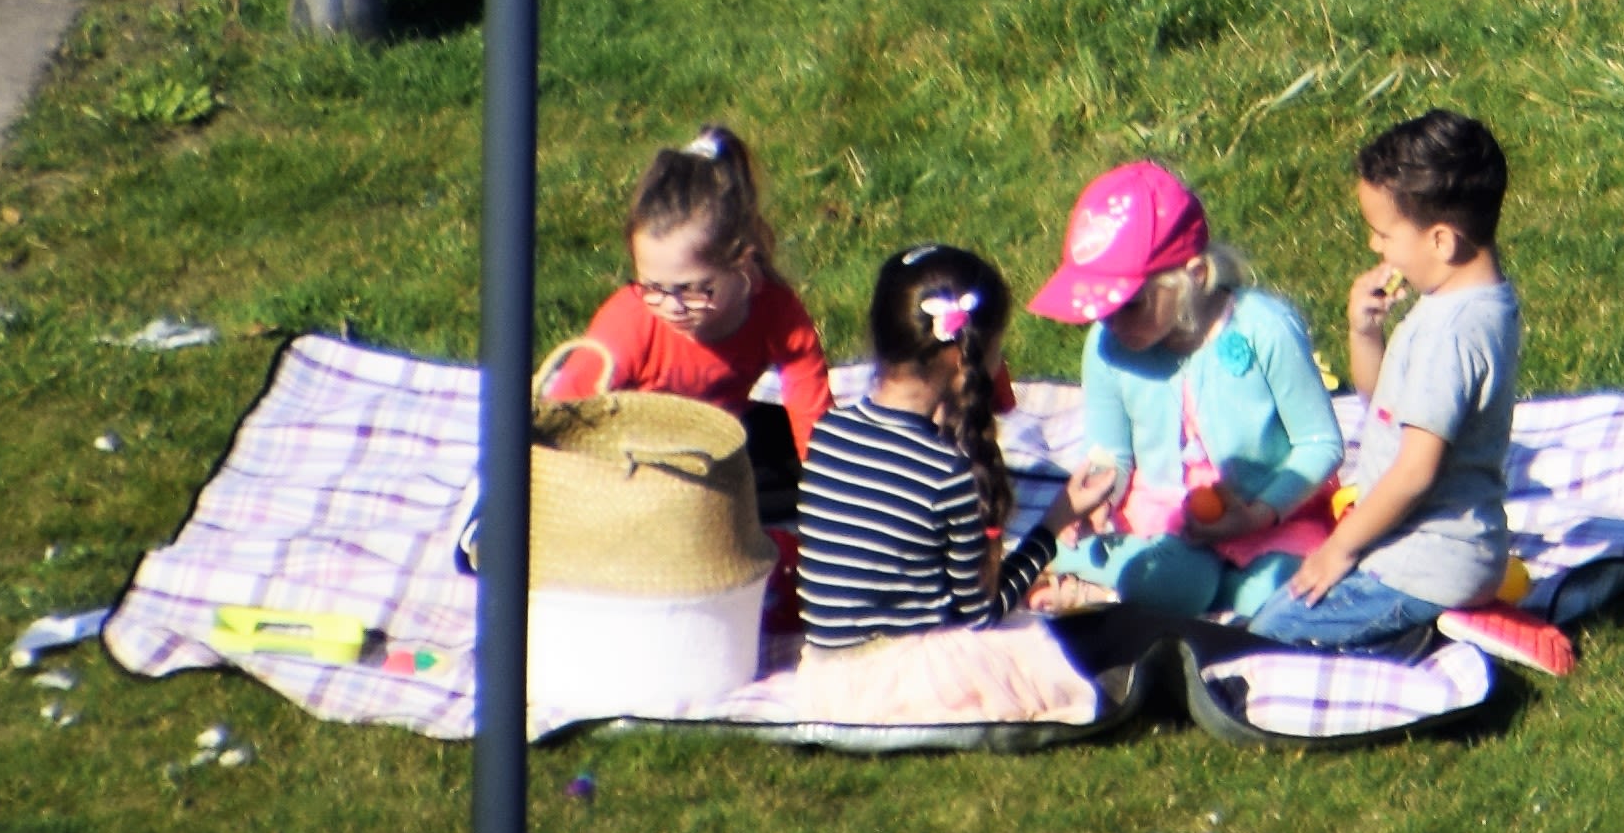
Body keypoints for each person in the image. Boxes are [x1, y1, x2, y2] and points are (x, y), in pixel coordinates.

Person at [1028, 159, 1344, 629]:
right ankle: (1100, 573)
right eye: (1103, 309)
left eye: (1129, 305)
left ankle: (1130, 588)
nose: (1111, 321)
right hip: (1166, 520)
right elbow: (1110, 452)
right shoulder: (1108, 344)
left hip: (1270, 515)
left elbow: (1321, 444)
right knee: (1177, 582)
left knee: (1279, 593)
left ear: (1194, 276)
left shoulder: (1264, 330)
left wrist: (1256, 516)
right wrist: (1100, 497)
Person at [1255, 110, 1525, 657]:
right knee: (1278, 596)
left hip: (1424, 565)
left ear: (1442, 241)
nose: (1377, 248)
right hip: (1422, 553)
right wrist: (1365, 332)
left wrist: (1340, 549)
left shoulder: (1450, 333)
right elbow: (1384, 404)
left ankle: (1421, 641)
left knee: (1270, 631)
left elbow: (1414, 473)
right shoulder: (1464, 304)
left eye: (1384, 234)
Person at [794, 244, 1109, 644]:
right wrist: (1054, 522)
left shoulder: (827, 435)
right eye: (997, 351)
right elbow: (980, 615)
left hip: (829, 675)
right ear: (966, 358)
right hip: (914, 683)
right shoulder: (948, 474)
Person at [531, 123, 826, 521]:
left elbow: (811, 409)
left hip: (717, 441)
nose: (671, 306)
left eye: (693, 289)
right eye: (651, 286)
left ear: (743, 265)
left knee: (824, 461)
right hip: (634, 455)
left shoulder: (777, 312)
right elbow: (568, 415)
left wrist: (831, 486)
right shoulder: (631, 321)